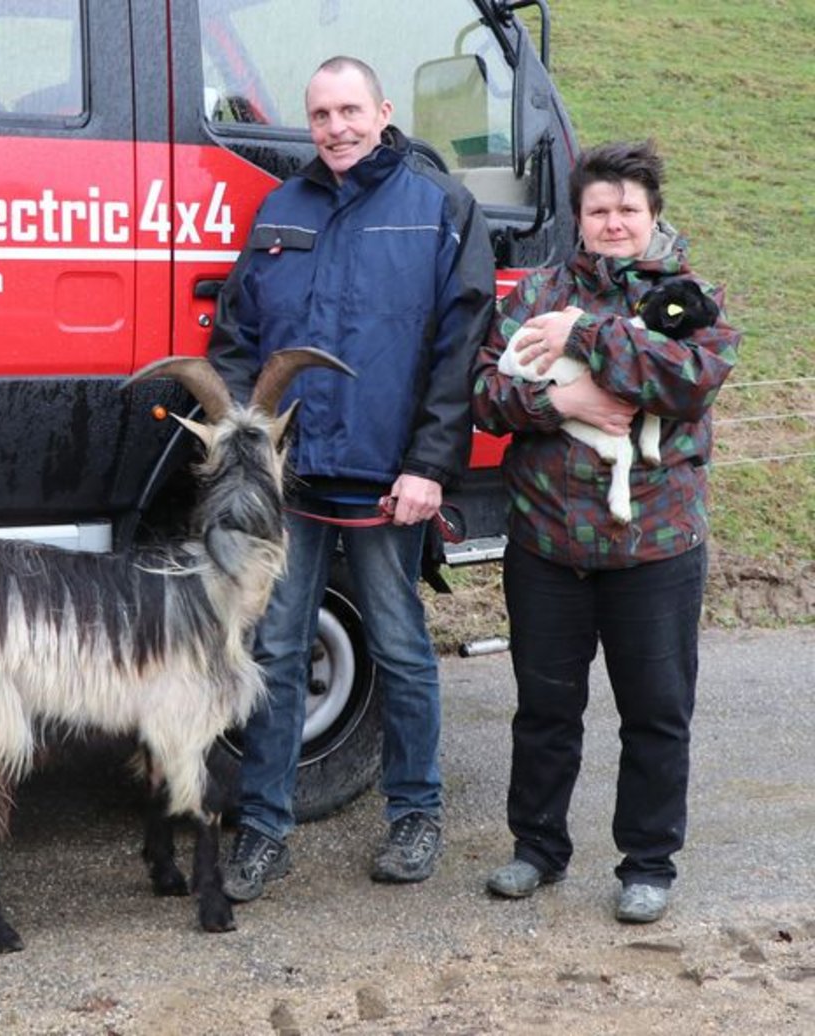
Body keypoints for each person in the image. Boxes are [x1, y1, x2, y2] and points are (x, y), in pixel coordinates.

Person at [209, 55, 495, 899]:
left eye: (349, 110)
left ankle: (415, 816)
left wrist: (429, 466)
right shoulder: (280, 209)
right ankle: (263, 829)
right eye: (321, 114)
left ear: (383, 110)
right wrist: (245, 444)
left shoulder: (438, 208)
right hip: (291, 484)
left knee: (403, 652)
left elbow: (458, 355)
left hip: (386, 485)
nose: (336, 127)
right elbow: (237, 339)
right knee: (276, 651)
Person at [470, 140, 739, 923]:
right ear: (579, 218)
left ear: (652, 214)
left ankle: (647, 863)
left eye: (627, 208)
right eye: (598, 210)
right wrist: (561, 405)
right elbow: (488, 393)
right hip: (546, 544)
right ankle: (537, 849)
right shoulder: (534, 292)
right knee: (545, 707)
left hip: (655, 547)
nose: (613, 222)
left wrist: (585, 338)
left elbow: (688, 380)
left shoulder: (695, 296)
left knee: (655, 710)